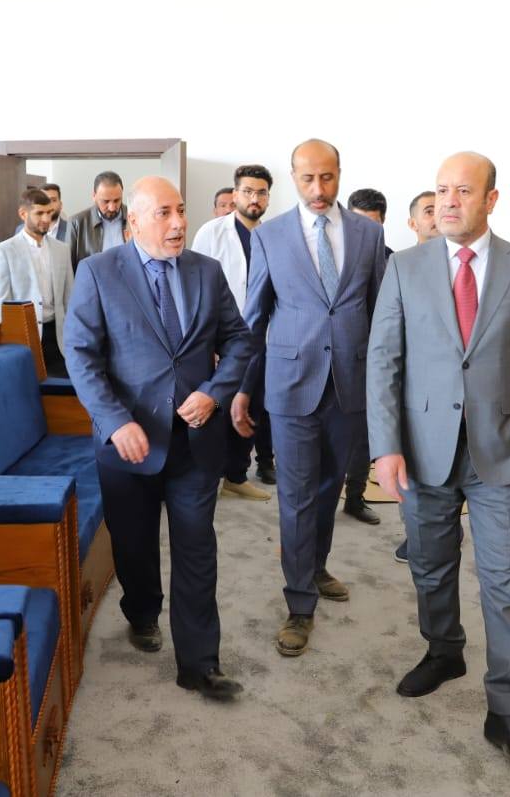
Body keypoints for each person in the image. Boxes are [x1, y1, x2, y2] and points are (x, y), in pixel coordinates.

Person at [366, 152, 510, 766]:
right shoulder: (404, 267)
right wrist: (385, 446)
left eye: (463, 191)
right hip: (423, 449)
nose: (448, 201)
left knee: (508, 584)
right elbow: (383, 360)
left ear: (491, 200)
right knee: (430, 566)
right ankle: (444, 650)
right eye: (441, 190)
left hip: (504, 451)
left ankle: (506, 710)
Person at [64, 176, 254, 700]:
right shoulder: (98, 272)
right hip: (129, 442)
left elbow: (239, 340)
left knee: (197, 546)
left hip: (195, 440)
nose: (178, 223)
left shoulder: (206, 271)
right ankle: (142, 611)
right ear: (134, 221)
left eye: (181, 211)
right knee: (135, 545)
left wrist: (214, 392)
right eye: (164, 213)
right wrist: (114, 420)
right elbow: (80, 354)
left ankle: (200, 663)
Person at [231, 139, 386, 657]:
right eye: (307, 179)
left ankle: (316, 567)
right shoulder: (269, 236)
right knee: (296, 496)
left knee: (328, 488)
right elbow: (254, 319)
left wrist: (385, 388)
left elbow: (381, 315)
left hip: (349, 384)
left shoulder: (368, 233)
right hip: (291, 385)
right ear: (294, 178)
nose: (318, 189)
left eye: (327, 177)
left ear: (339, 173)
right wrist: (243, 389)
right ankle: (299, 605)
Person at [191, 165, 276, 499]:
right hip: (220, 336)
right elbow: (195, 287)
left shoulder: (272, 236)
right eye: (248, 191)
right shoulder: (211, 232)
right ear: (236, 193)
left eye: (261, 192)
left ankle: (236, 476)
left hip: (260, 336)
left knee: (252, 406)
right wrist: (205, 341)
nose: (254, 198)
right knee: (216, 406)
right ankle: (206, 477)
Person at [337, 187, 393, 526]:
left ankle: (355, 498)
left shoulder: (394, 261)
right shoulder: (331, 255)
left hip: (375, 363)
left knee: (362, 437)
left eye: (372, 225)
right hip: (336, 359)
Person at [394, 189, 443, 562]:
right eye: (428, 210)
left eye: (440, 208)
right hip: (413, 388)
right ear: (412, 223)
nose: (437, 215)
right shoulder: (400, 268)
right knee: (414, 469)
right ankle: (415, 533)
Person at [0, 187, 74, 376]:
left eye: (49, 212)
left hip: (59, 338)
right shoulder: (3, 251)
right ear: (23, 214)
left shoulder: (62, 249)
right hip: (24, 337)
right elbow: (2, 305)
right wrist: (10, 347)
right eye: (39, 213)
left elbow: (70, 298)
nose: (46, 218)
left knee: (63, 391)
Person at [66, 171, 128, 270]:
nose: (112, 208)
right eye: (106, 201)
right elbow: (68, 267)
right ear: (94, 196)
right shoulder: (76, 223)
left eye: (117, 200)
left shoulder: (135, 218)